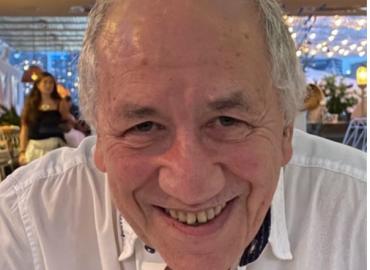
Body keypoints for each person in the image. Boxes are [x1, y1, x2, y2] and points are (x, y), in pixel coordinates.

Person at [0, 1, 365, 270]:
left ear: (286, 130)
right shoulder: (24, 227)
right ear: (100, 138)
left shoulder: (358, 212)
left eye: (227, 120)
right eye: (143, 127)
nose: (190, 185)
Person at [18, 71, 73, 165]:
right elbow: (25, 128)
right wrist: (22, 152)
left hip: (56, 148)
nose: (48, 85)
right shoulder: (31, 105)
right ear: (38, 85)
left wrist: (66, 125)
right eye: (45, 82)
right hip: (35, 149)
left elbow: (68, 124)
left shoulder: (60, 103)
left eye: (51, 82)